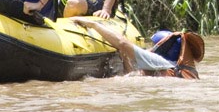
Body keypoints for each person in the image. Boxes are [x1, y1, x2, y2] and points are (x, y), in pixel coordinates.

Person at [72, 19, 205, 79]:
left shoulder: (161, 62)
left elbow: (122, 43)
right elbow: (131, 76)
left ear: (165, 50)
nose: (152, 48)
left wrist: (94, 25)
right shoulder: (182, 70)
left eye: (155, 45)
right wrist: (125, 59)